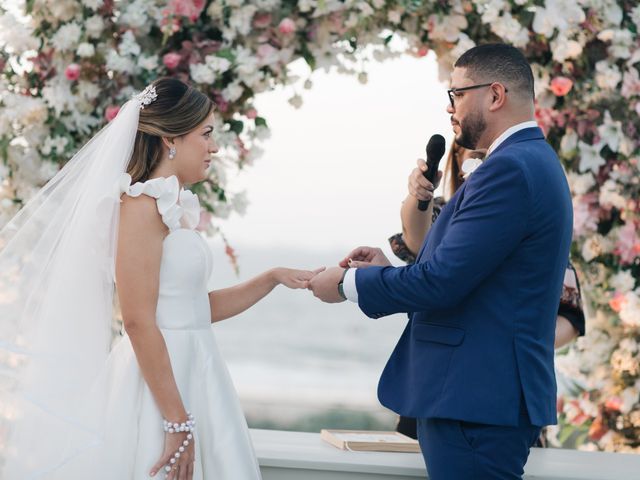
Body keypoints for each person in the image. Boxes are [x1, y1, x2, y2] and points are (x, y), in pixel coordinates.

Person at [0, 78, 321, 479]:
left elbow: (194, 310)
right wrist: (175, 420)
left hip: (197, 370)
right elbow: (137, 319)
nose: (215, 147)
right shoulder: (139, 207)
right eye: (206, 134)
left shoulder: (173, 208)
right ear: (172, 138)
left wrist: (271, 278)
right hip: (159, 386)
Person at [309, 43, 574, 479]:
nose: (448, 106)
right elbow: (469, 276)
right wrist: (382, 271)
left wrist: (345, 286)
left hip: (475, 398)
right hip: (481, 397)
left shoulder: (509, 170)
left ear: (494, 95)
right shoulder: (527, 162)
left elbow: (443, 282)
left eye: (456, 93)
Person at [392, 142, 585, 441]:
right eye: (474, 157)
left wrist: (512, 342)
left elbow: (571, 317)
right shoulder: (445, 214)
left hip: (503, 389)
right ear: (457, 161)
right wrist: (419, 196)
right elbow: (417, 244)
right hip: (435, 383)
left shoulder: (530, 218)